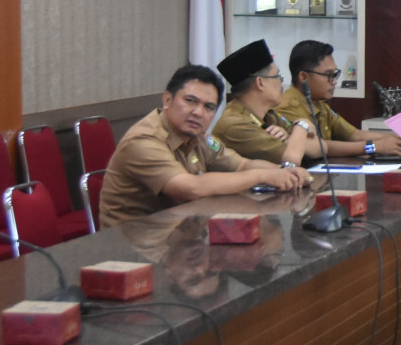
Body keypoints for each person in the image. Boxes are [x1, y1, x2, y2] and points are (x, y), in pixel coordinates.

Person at [100, 65, 310, 229]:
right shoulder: (144, 140)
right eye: (190, 101)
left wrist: (287, 172)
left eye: (208, 107)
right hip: (135, 244)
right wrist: (260, 176)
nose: (199, 113)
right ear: (167, 99)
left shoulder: (198, 136)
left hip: (179, 234)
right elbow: (191, 188)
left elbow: (243, 164)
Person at [275, 40, 401, 157]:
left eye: (335, 74)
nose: (334, 81)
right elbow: (321, 147)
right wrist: (373, 147)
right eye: (328, 75)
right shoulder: (287, 107)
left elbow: (353, 135)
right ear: (303, 77)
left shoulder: (318, 103)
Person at [212, 39, 321, 165]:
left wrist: (290, 137)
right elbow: (292, 159)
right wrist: (302, 125)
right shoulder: (235, 124)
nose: (280, 82)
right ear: (260, 83)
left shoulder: (269, 114)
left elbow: (320, 148)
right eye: (277, 76)